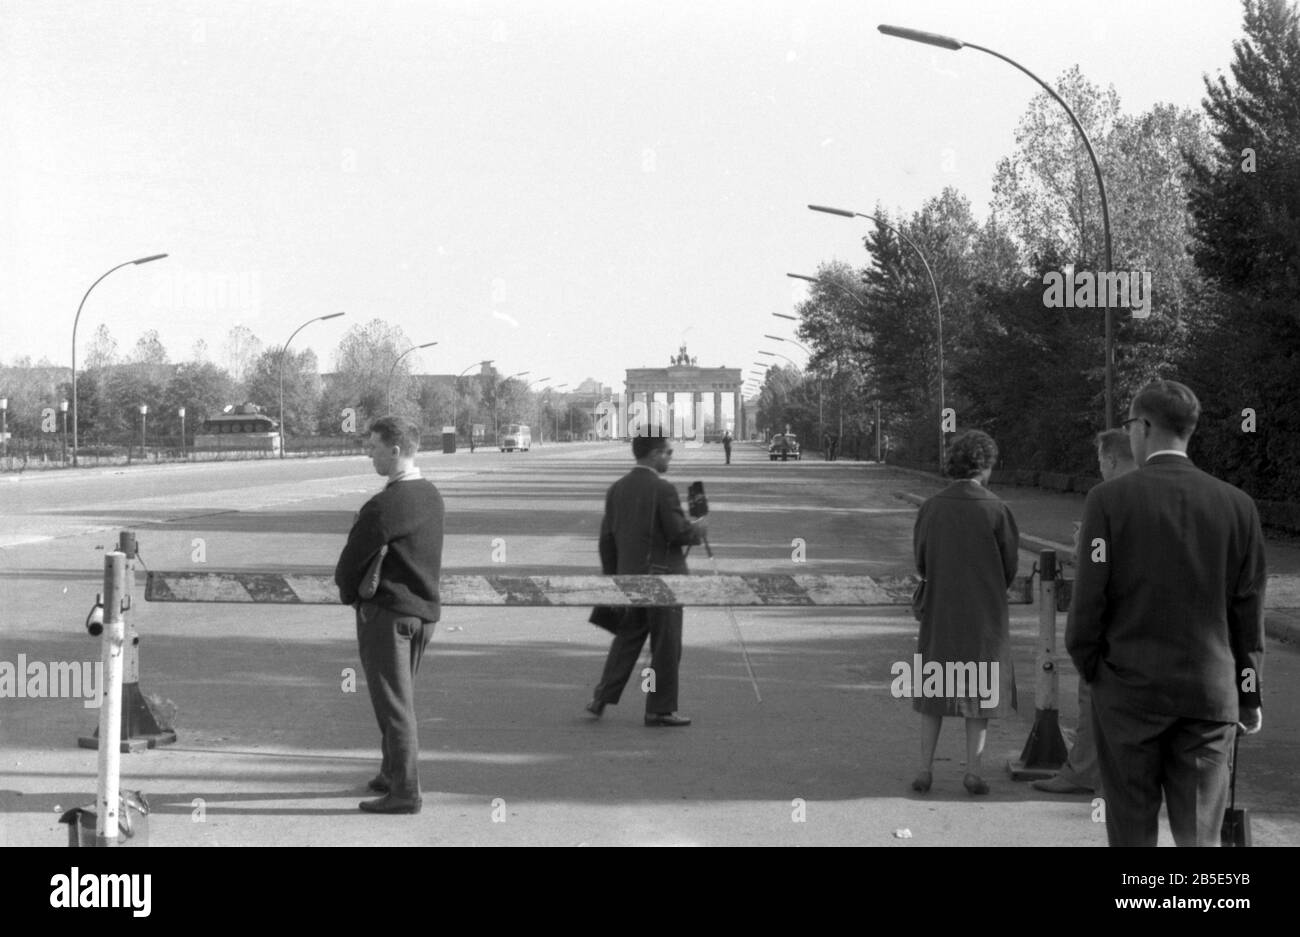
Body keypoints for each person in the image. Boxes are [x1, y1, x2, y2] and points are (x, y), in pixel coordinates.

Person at [1066, 380, 1266, 846]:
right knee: (1199, 836)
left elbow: (1089, 598)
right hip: (1209, 694)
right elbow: (1248, 611)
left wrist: (1094, 670)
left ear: (1144, 427)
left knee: (1132, 830)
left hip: (1128, 690)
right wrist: (1249, 693)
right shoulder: (1239, 507)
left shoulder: (1108, 502)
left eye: (1131, 426)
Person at [334, 416, 445, 815]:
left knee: (394, 706)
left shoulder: (384, 505)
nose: (369, 452)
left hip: (388, 615)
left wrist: (350, 595)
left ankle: (405, 792)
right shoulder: (431, 495)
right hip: (422, 616)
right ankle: (390, 772)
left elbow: (350, 563)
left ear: (396, 450)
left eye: (374, 446)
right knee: (399, 699)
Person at [910, 429, 1019, 795]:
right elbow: (1009, 566)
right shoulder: (996, 509)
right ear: (985, 466)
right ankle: (973, 770)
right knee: (979, 692)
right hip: (984, 615)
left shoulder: (931, 507)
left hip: (941, 611)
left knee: (934, 690)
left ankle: (925, 769)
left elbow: (921, 560)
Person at [1033, 429, 1135, 796]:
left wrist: (1082, 548)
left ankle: (1084, 770)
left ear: (1109, 460)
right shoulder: (1165, 490)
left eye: (1099, 461)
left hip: (1113, 616)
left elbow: (1098, 563)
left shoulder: (1106, 497)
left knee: (1093, 694)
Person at [586, 433, 707, 726]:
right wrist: (698, 529)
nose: (670, 456)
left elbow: (606, 540)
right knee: (665, 646)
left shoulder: (616, 489)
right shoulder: (663, 489)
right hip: (664, 581)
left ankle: (601, 696)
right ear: (654, 454)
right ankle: (660, 708)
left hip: (630, 578)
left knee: (627, 639)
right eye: (668, 451)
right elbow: (678, 533)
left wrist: (615, 577)